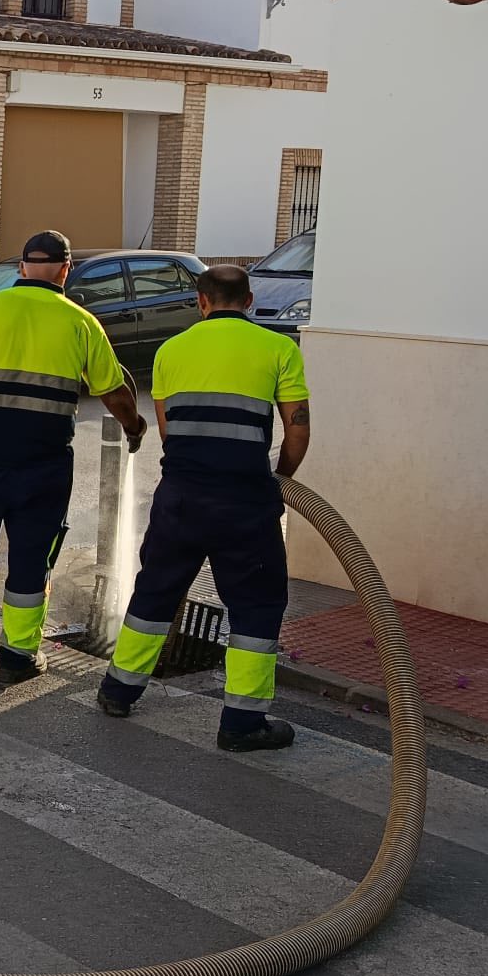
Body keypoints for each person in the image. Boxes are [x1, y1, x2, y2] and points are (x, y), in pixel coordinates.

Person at [96, 263, 311, 751]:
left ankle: (118, 690)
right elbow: (297, 428)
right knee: (256, 604)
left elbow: (167, 429)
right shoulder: (279, 348)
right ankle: (242, 724)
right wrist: (279, 480)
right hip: (244, 500)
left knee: (155, 592)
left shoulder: (171, 350)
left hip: (180, 496)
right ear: (250, 301)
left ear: (201, 302)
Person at [0, 231, 147, 682]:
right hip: (43, 463)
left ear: (22, 268)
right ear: (66, 270)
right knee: (32, 555)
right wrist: (134, 427)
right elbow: (113, 391)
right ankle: (17, 658)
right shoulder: (81, 322)